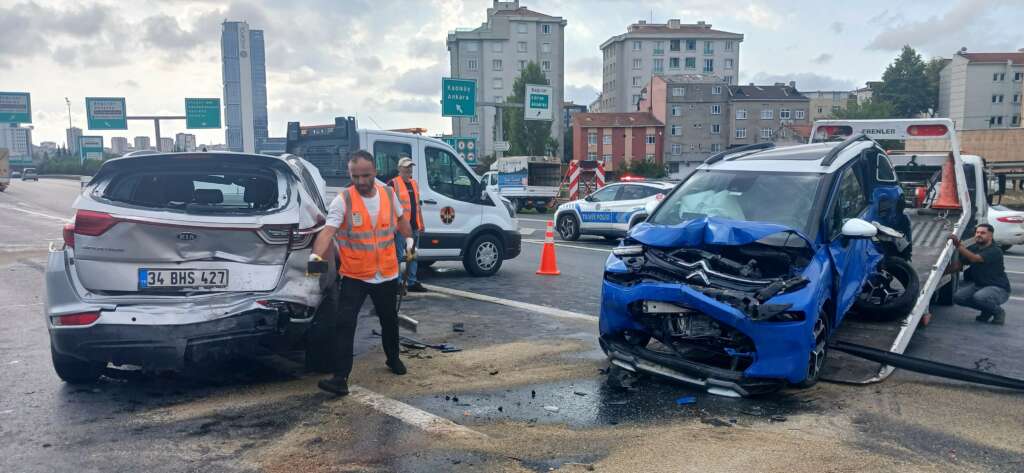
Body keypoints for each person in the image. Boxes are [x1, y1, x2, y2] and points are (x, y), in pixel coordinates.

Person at [309, 150, 414, 396]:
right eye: (355, 176)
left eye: (365, 175)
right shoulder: (343, 201)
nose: (360, 182)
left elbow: (401, 220)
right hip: (356, 275)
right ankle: (340, 378)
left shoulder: (388, 194)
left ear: (375, 172)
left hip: (386, 273)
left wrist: (409, 241)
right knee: (344, 325)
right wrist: (315, 258)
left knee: (389, 320)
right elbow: (327, 233)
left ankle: (393, 359)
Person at [947, 224, 1011, 325]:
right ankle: (988, 310)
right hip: (980, 286)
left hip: (999, 288)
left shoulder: (995, 250)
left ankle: (998, 312)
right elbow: (959, 264)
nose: (979, 235)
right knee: (958, 298)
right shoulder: (974, 248)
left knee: (979, 297)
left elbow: (975, 259)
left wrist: (958, 245)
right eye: (977, 232)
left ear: (990, 235)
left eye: (983, 233)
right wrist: (942, 273)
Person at [389, 156, 426, 292]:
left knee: (413, 255)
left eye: (410, 167)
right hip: (400, 228)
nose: (409, 170)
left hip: (413, 227)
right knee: (398, 256)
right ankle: (397, 283)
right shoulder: (393, 184)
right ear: (399, 169)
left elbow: (417, 206)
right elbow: (388, 207)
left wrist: (421, 223)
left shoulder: (414, 184)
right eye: (406, 167)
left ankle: (411, 281)